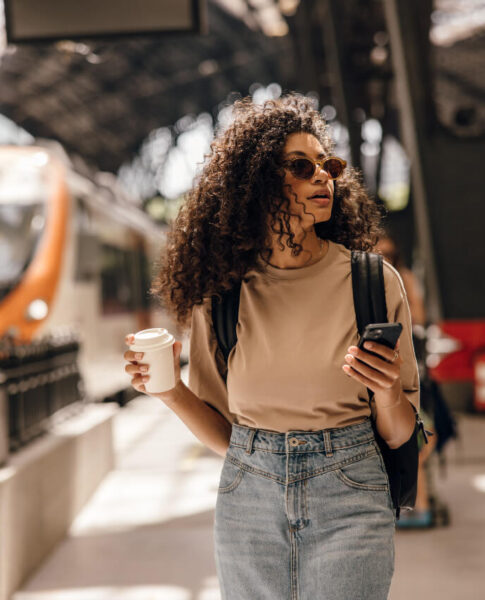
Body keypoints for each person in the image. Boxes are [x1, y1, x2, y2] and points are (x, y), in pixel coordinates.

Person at [123, 95, 420, 599]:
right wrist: (168, 390)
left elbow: (402, 434)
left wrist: (389, 393)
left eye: (328, 165)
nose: (323, 176)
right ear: (257, 183)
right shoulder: (221, 293)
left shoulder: (373, 281)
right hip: (249, 495)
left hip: (351, 487)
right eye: (301, 167)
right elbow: (226, 436)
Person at [375, 234, 437, 527]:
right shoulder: (365, 277)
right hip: (378, 362)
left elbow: (419, 317)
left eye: (389, 252)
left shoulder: (402, 277)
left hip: (405, 361)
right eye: (379, 252)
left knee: (416, 436)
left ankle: (418, 505)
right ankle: (412, 503)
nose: (385, 257)